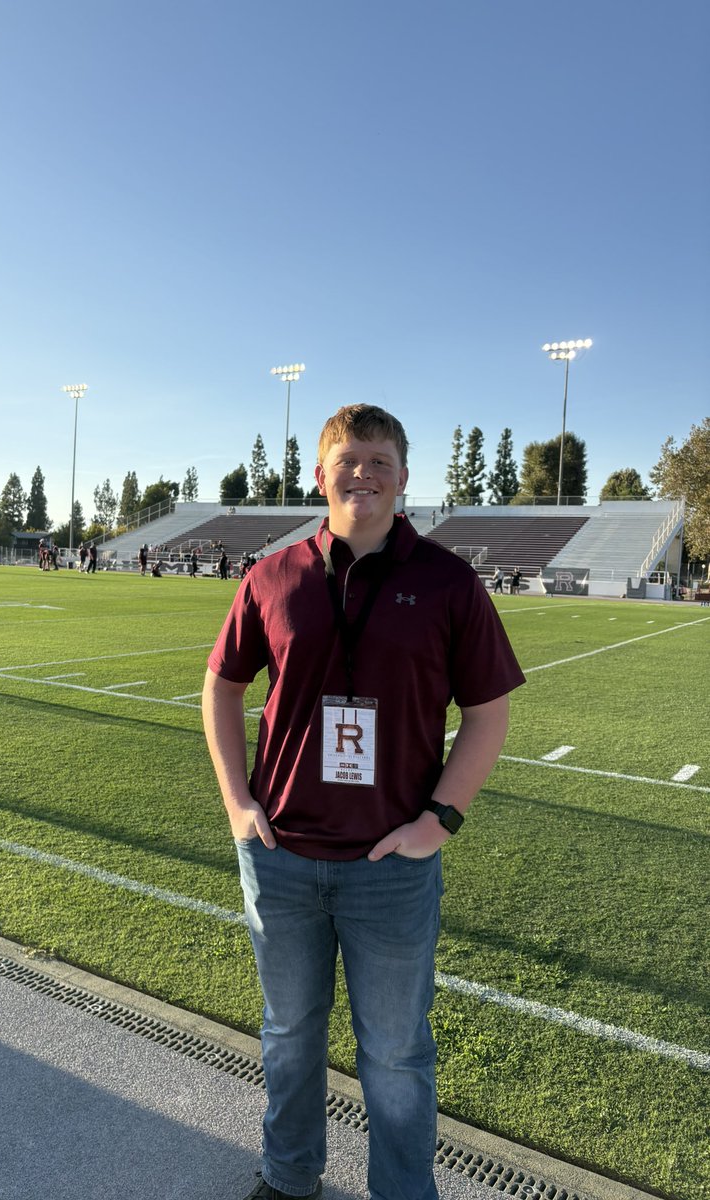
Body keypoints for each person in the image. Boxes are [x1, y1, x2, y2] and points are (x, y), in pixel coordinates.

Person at [202, 404, 524, 1200]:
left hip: (391, 865)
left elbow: (488, 713)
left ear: (404, 478)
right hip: (280, 858)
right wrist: (238, 802)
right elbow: (221, 684)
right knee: (287, 1037)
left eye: (380, 461)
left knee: (395, 1053)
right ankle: (288, 1180)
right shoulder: (272, 576)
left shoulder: (447, 581)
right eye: (348, 460)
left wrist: (438, 821)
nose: (363, 475)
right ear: (321, 475)